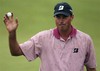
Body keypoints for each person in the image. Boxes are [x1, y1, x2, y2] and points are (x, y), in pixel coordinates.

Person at [4, 2, 96, 71]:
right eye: (58, 17)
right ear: (54, 18)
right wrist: (12, 34)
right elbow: (16, 51)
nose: (61, 20)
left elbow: (91, 68)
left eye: (64, 17)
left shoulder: (85, 40)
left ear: (72, 17)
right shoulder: (43, 38)